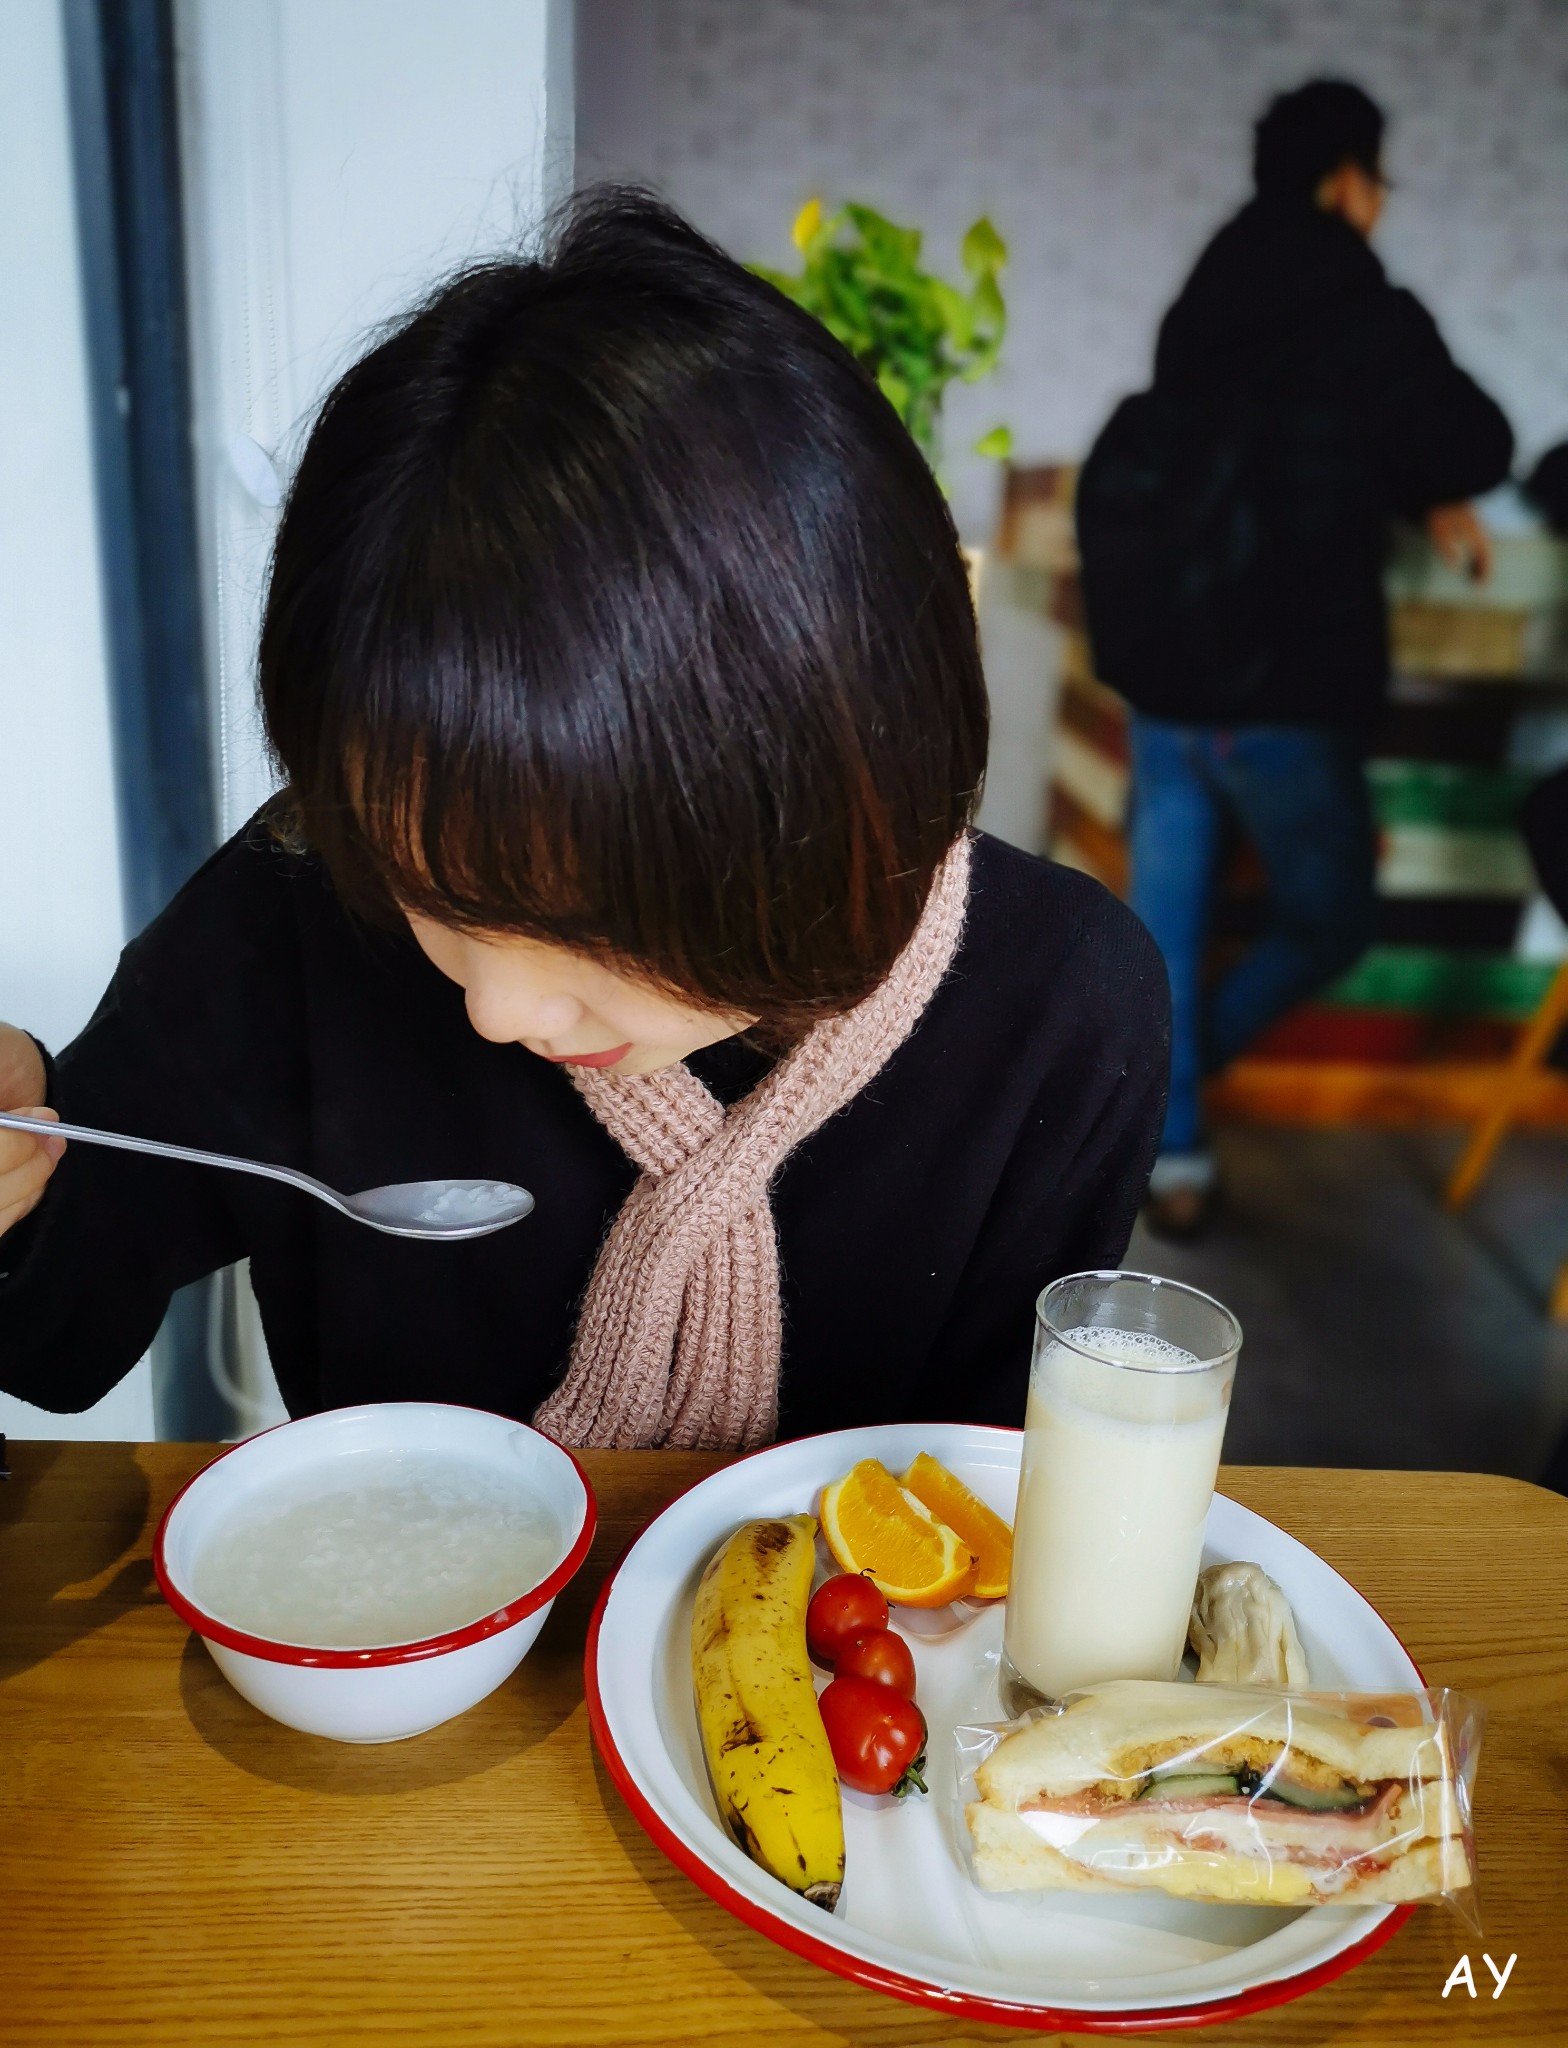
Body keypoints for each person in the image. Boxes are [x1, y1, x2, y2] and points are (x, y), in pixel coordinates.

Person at [0, 193, 1168, 1450]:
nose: (496, 1010)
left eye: (583, 917)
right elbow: (56, 1326)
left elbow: (991, 1493)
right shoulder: (298, 902)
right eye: (429, 895)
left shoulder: (1056, 1008)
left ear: (828, 789)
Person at [1077, 79, 1514, 1239]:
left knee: (1162, 932)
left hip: (1166, 675)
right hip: (1284, 685)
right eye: (1377, 181)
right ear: (1345, 181)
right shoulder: (1361, 308)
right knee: (1332, 918)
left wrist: (1401, 481)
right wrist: (1425, 489)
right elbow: (1476, 438)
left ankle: (1162, 1138)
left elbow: (1242, 443)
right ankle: (1161, 1096)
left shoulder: (1201, 297)